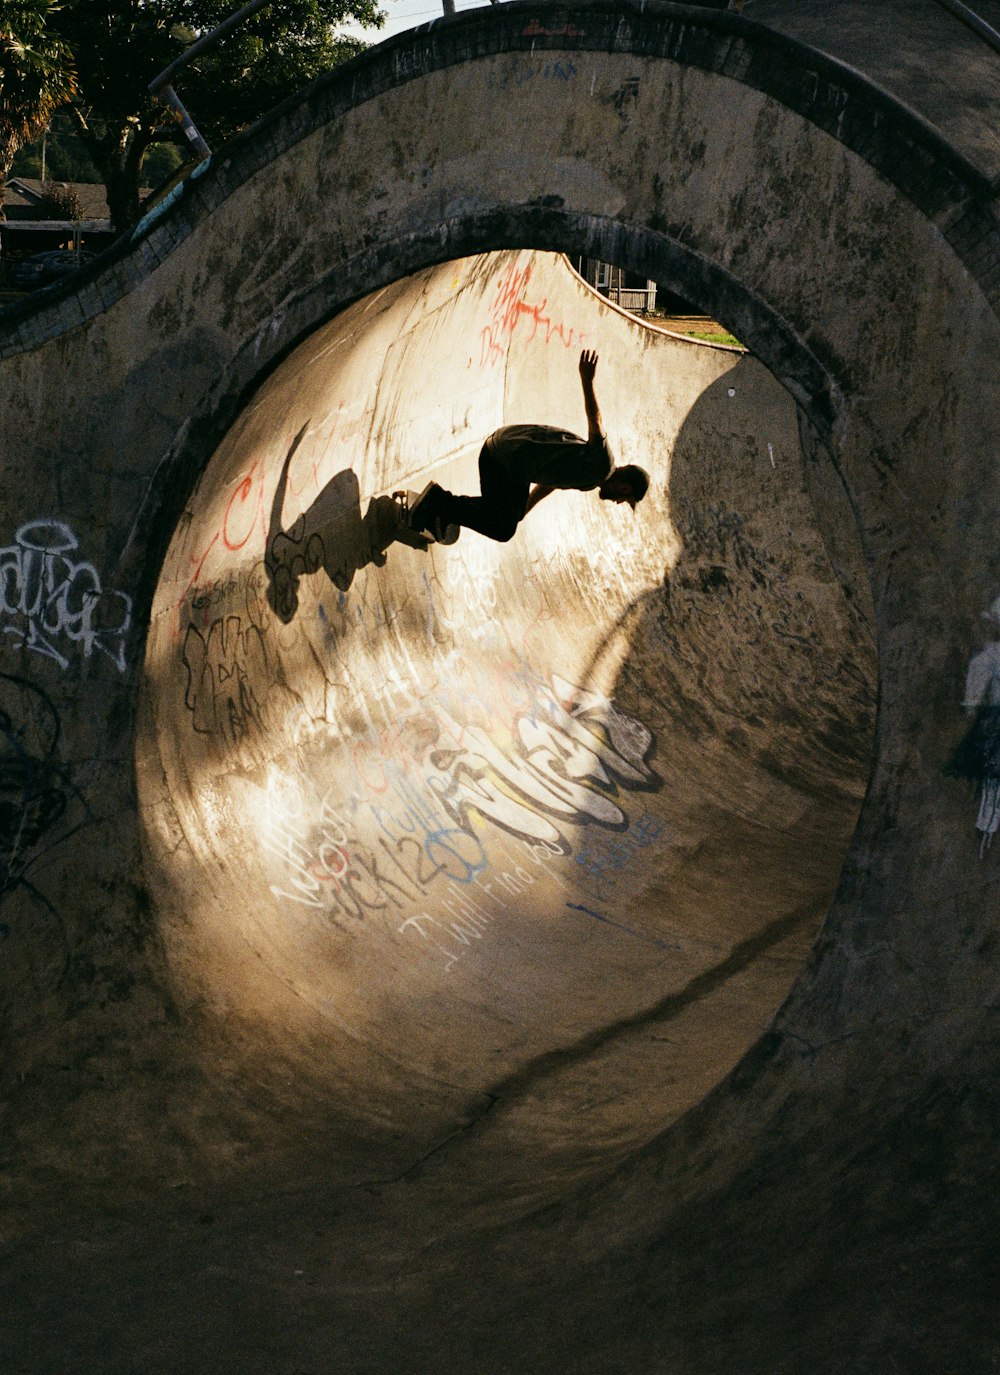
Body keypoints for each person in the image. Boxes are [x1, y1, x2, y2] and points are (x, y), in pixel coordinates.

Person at [407, 349, 650, 543]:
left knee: (507, 515)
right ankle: (440, 504)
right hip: (504, 460)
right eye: (624, 497)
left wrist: (527, 507)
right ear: (625, 485)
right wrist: (587, 380)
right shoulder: (602, 465)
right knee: (503, 527)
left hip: (509, 459)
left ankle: (444, 507)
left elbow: (552, 482)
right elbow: (595, 421)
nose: (618, 502)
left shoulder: (590, 480)